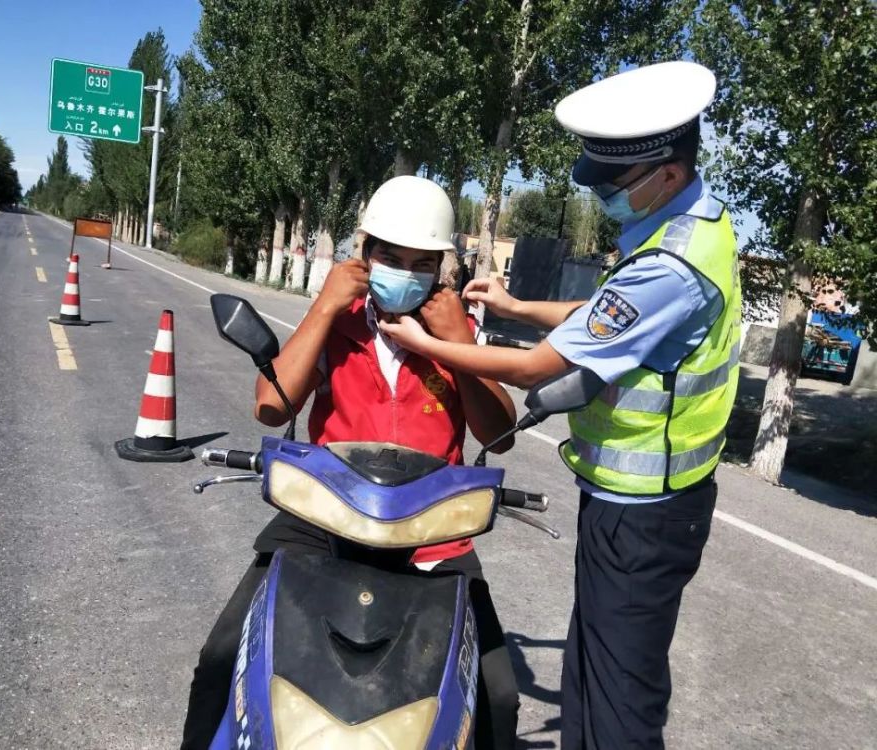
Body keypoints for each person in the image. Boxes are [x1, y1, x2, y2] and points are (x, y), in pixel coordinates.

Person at [380, 61, 740, 749]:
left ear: (667, 172)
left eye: (615, 183)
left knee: (618, 711)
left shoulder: (671, 266)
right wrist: (518, 305)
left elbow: (533, 367)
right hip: (642, 505)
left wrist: (427, 341)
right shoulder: (695, 229)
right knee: (589, 679)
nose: (603, 194)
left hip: (643, 516)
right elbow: (605, 314)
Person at [181, 175, 521, 750]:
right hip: (321, 517)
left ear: (442, 268)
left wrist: (454, 342)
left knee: (497, 693)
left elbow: (501, 433)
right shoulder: (339, 325)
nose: (405, 271)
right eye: (390, 256)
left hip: (432, 533)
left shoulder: (455, 331)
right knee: (222, 658)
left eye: (421, 262)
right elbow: (271, 406)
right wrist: (325, 304)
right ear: (363, 255)